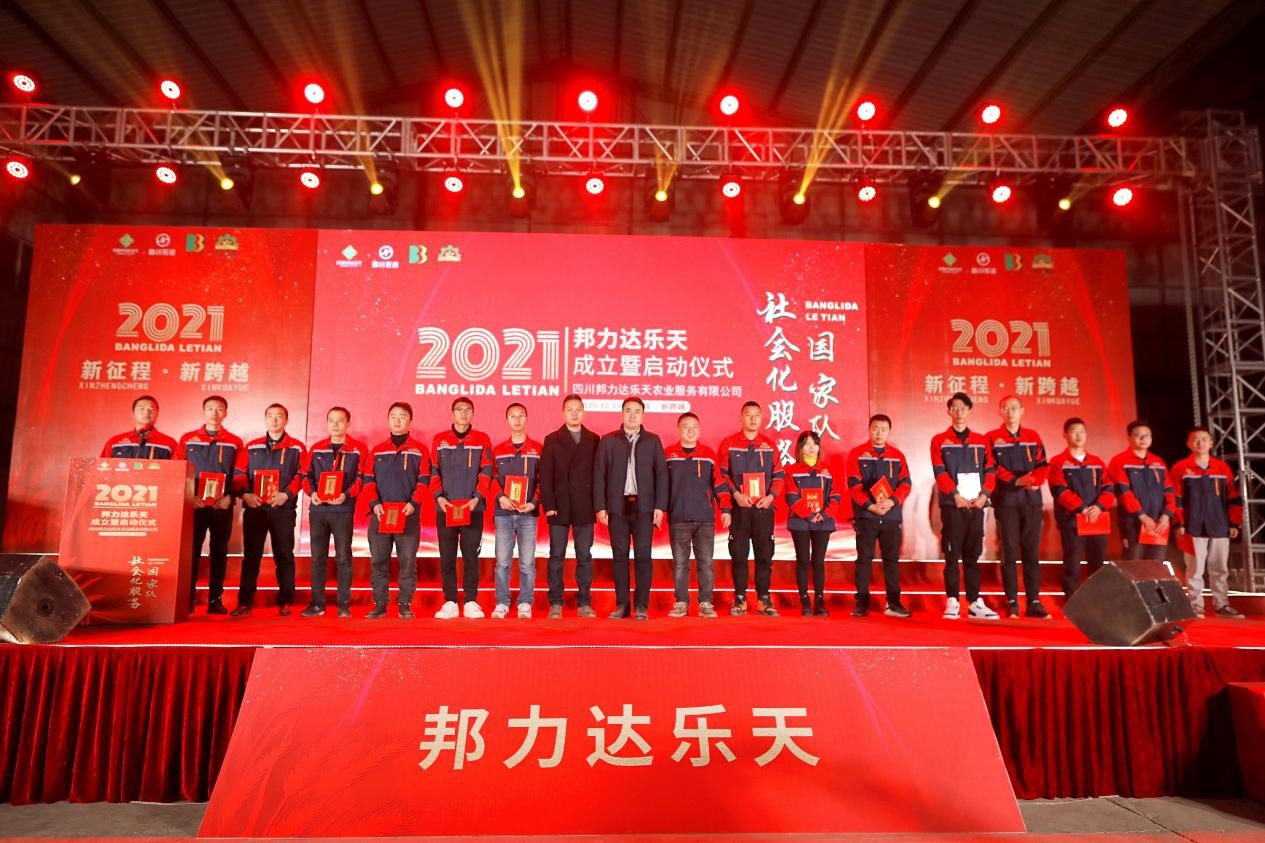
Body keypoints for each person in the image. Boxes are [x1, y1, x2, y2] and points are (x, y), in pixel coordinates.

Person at [594, 396, 668, 620]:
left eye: (637, 411)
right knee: (619, 557)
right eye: (628, 410)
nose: (632, 415)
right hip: (617, 507)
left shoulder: (653, 440)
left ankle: (642, 606)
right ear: (622, 413)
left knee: (644, 556)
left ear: (643, 415)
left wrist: (660, 507)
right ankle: (622, 605)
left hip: (644, 508)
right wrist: (600, 506)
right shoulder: (609, 440)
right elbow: (599, 475)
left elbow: (661, 475)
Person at [231, 403, 306, 617]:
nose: (274, 420)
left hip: (282, 508)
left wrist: (287, 494)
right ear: (265, 419)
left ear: (286, 420)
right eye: (270, 416)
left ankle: (286, 601)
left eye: (279, 416)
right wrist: (246, 494)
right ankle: (245, 602)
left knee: (284, 555)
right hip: (255, 508)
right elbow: (239, 473)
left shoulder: (297, 448)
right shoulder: (251, 446)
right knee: (251, 556)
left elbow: (301, 475)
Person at [930, 392, 998, 620]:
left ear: (970, 411)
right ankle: (952, 601)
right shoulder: (939, 440)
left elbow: (990, 471)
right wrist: (955, 495)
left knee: (972, 555)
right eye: (955, 408)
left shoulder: (982, 441)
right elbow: (939, 472)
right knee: (951, 555)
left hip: (976, 505)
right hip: (953, 506)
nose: (959, 412)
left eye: (963, 408)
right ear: (949, 411)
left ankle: (974, 602)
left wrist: (984, 496)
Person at [361, 402, 431, 619]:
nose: (398, 420)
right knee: (378, 561)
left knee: (407, 561)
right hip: (380, 515)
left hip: (407, 515)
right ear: (388, 420)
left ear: (410, 421)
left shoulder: (420, 450)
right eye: (393, 416)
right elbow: (368, 480)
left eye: (402, 416)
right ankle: (380, 604)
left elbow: (424, 480)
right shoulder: (377, 450)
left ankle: (405, 604)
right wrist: (375, 504)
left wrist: (414, 503)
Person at [176, 395, 243, 614]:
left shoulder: (234, 441)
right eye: (210, 408)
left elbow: (239, 473)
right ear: (204, 411)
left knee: (219, 552)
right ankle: (187, 599)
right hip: (194, 505)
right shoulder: (188, 439)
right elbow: (177, 470)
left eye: (219, 409)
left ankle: (216, 600)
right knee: (191, 552)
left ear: (226, 413)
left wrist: (230, 496)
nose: (214, 413)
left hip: (221, 506)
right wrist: (189, 496)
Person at [986, 395, 1051, 619]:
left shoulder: (1033, 436)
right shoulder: (992, 438)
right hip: (1006, 502)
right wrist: (1016, 481)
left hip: (1031, 500)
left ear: (1022, 410)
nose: (1010, 411)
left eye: (1014, 408)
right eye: (1005, 408)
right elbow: (991, 466)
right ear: (999, 412)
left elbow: (1043, 465)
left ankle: (1034, 601)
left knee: (1031, 552)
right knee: (1009, 552)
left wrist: (1035, 481)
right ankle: (1012, 601)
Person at [718, 401, 785, 616]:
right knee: (739, 554)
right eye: (748, 415)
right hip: (739, 509)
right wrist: (736, 495)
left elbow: (779, 476)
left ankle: (763, 598)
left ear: (762, 418)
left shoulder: (769, 445)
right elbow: (722, 475)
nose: (753, 419)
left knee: (764, 554)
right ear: (741, 418)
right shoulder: (728, 444)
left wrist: (770, 497)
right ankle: (740, 598)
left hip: (763, 509)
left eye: (757, 415)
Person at [1170, 427, 1245, 618]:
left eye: (1204, 439)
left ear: (1211, 443)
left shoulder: (1222, 468)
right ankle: (1195, 605)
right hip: (1192, 527)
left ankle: (1222, 605)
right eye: (1195, 439)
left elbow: (1233, 498)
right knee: (1195, 569)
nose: (1200, 443)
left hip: (1219, 526)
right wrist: (1179, 523)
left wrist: (1234, 523)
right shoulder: (1180, 468)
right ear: (1188, 444)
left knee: (1220, 568)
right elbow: (1175, 499)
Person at [431, 397, 494, 619]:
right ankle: (449, 601)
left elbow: (487, 471)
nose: (463, 413)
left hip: (473, 508)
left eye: (468, 410)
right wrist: (439, 498)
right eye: (459, 410)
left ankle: (470, 601)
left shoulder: (482, 439)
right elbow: (434, 471)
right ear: (452, 413)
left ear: (473, 414)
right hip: (446, 508)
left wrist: (476, 498)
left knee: (470, 557)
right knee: (447, 556)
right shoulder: (440, 440)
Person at [300, 406, 367, 619]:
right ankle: (317, 604)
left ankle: (343, 604)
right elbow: (306, 476)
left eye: (340, 420)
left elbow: (361, 479)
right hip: (318, 509)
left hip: (343, 510)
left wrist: (346, 495)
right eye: (331, 420)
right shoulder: (316, 448)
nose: (335, 424)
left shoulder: (358, 449)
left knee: (343, 557)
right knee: (317, 558)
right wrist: (312, 493)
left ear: (348, 424)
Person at [845, 414, 913, 618]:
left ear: (889, 431)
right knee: (864, 559)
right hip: (867, 516)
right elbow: (854, 485)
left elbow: (906, 483)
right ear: (869, 429)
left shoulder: (897, 455)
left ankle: (893, 602)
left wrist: (892, 501)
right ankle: (862, 602)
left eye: (883, 429)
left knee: (891, 560)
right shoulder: (857, 454)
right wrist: (870, 506)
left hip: (891, 516)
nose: (879, 432)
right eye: (875, 428)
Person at [539, 394, 601, 618]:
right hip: (559, 504)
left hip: (585, 504)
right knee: (556, 555)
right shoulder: (552, 439)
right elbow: (545, 474)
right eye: (570, 409)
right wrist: (548, 503)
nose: (574, 413)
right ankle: (555, 602)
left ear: (584, 412)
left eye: (578, 409)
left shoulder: (594, 439)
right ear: (563, 413)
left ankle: (584, 602)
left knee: (584, 555)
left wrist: (599, 504)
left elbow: (599, 475)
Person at [664, 412, 730, 618]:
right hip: (678, 518)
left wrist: (726, 509)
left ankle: (705, 603)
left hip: (704, 519)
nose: (690, 430)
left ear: (699, 430)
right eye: (686, 426)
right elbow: (661, 486)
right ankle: (681, 602)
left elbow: (720, 484)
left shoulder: (708, 455)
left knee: (705, 563)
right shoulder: (668, 455)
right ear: (678, 429)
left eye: (694, 426)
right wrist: (660, 510)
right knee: (680, 564)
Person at [1047, 417, 1116, 598]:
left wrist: (1099, 507)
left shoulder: (1096, 461)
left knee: (1098, 563)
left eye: (1082, 432)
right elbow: (1059, 490)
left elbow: (1109, 488)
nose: (1078, 435)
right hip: (1072, 520)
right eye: (1074, 431)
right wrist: (1083, 508)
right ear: (1065, 434)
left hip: (1097, 520)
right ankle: (1072, 600)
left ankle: (1098, 600)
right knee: (1073, 563)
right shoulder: (1058, 462)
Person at [490, 403, 543, 619]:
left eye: (521, 416)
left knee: (527, 562)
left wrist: (534, 502)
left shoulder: (538, 449)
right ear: (507, 421)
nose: (517, 420)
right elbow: (492, 479)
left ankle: (525, 602)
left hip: (527, 514)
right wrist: (500, 497)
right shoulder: (498, 450)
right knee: (502, 561)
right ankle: (502, 603)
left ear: (527, 419)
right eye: (513, 416)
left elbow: (542, 480)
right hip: (503, 514)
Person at [785, 430, 841, 617]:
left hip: (823, 522)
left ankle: (819, 601)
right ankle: (804, 602)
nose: (811, 447)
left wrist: (823, 514)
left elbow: (835, 495)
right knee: (802, 560)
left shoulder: (828, 470)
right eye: (807, 444)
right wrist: (809, 515)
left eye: (815, 443)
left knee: (818, 561)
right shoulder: (791, 470)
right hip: (800, 522)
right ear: (800, 448)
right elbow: (791, 496)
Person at [1108, 420, 1175, 561]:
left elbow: (1169, 490)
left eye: (1147, 435)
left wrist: (1166, 516)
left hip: (1158, 522)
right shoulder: (1119, 461)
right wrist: (1142, 516)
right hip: (1133, 522)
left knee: (1156, 564)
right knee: (1134, 563)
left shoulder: (1158, 462)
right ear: (1129, 438)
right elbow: (1123, 493)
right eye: (1138, 435)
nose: (1144, 438)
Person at [101, 395, 178, 459]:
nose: (146, 412)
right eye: (142, 408)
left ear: (157, 414)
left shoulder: (169, 444)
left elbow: (177, 470)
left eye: (151, 409)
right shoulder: (114, 442)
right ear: (133, 413)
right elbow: (102, 468)